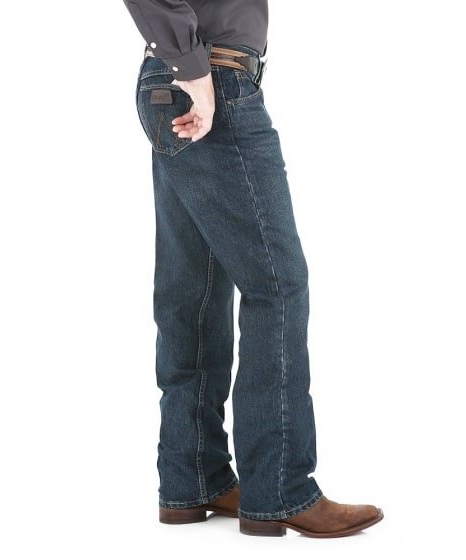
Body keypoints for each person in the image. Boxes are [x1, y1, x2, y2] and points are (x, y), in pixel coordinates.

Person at [121, 0, 384, 538]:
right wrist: (194, 68)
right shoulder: (200, 72)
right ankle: (280, 488)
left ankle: (193, 478)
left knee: (194, 288)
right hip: (210, 78)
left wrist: (187, 66)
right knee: (277, 287)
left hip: (184, 77)